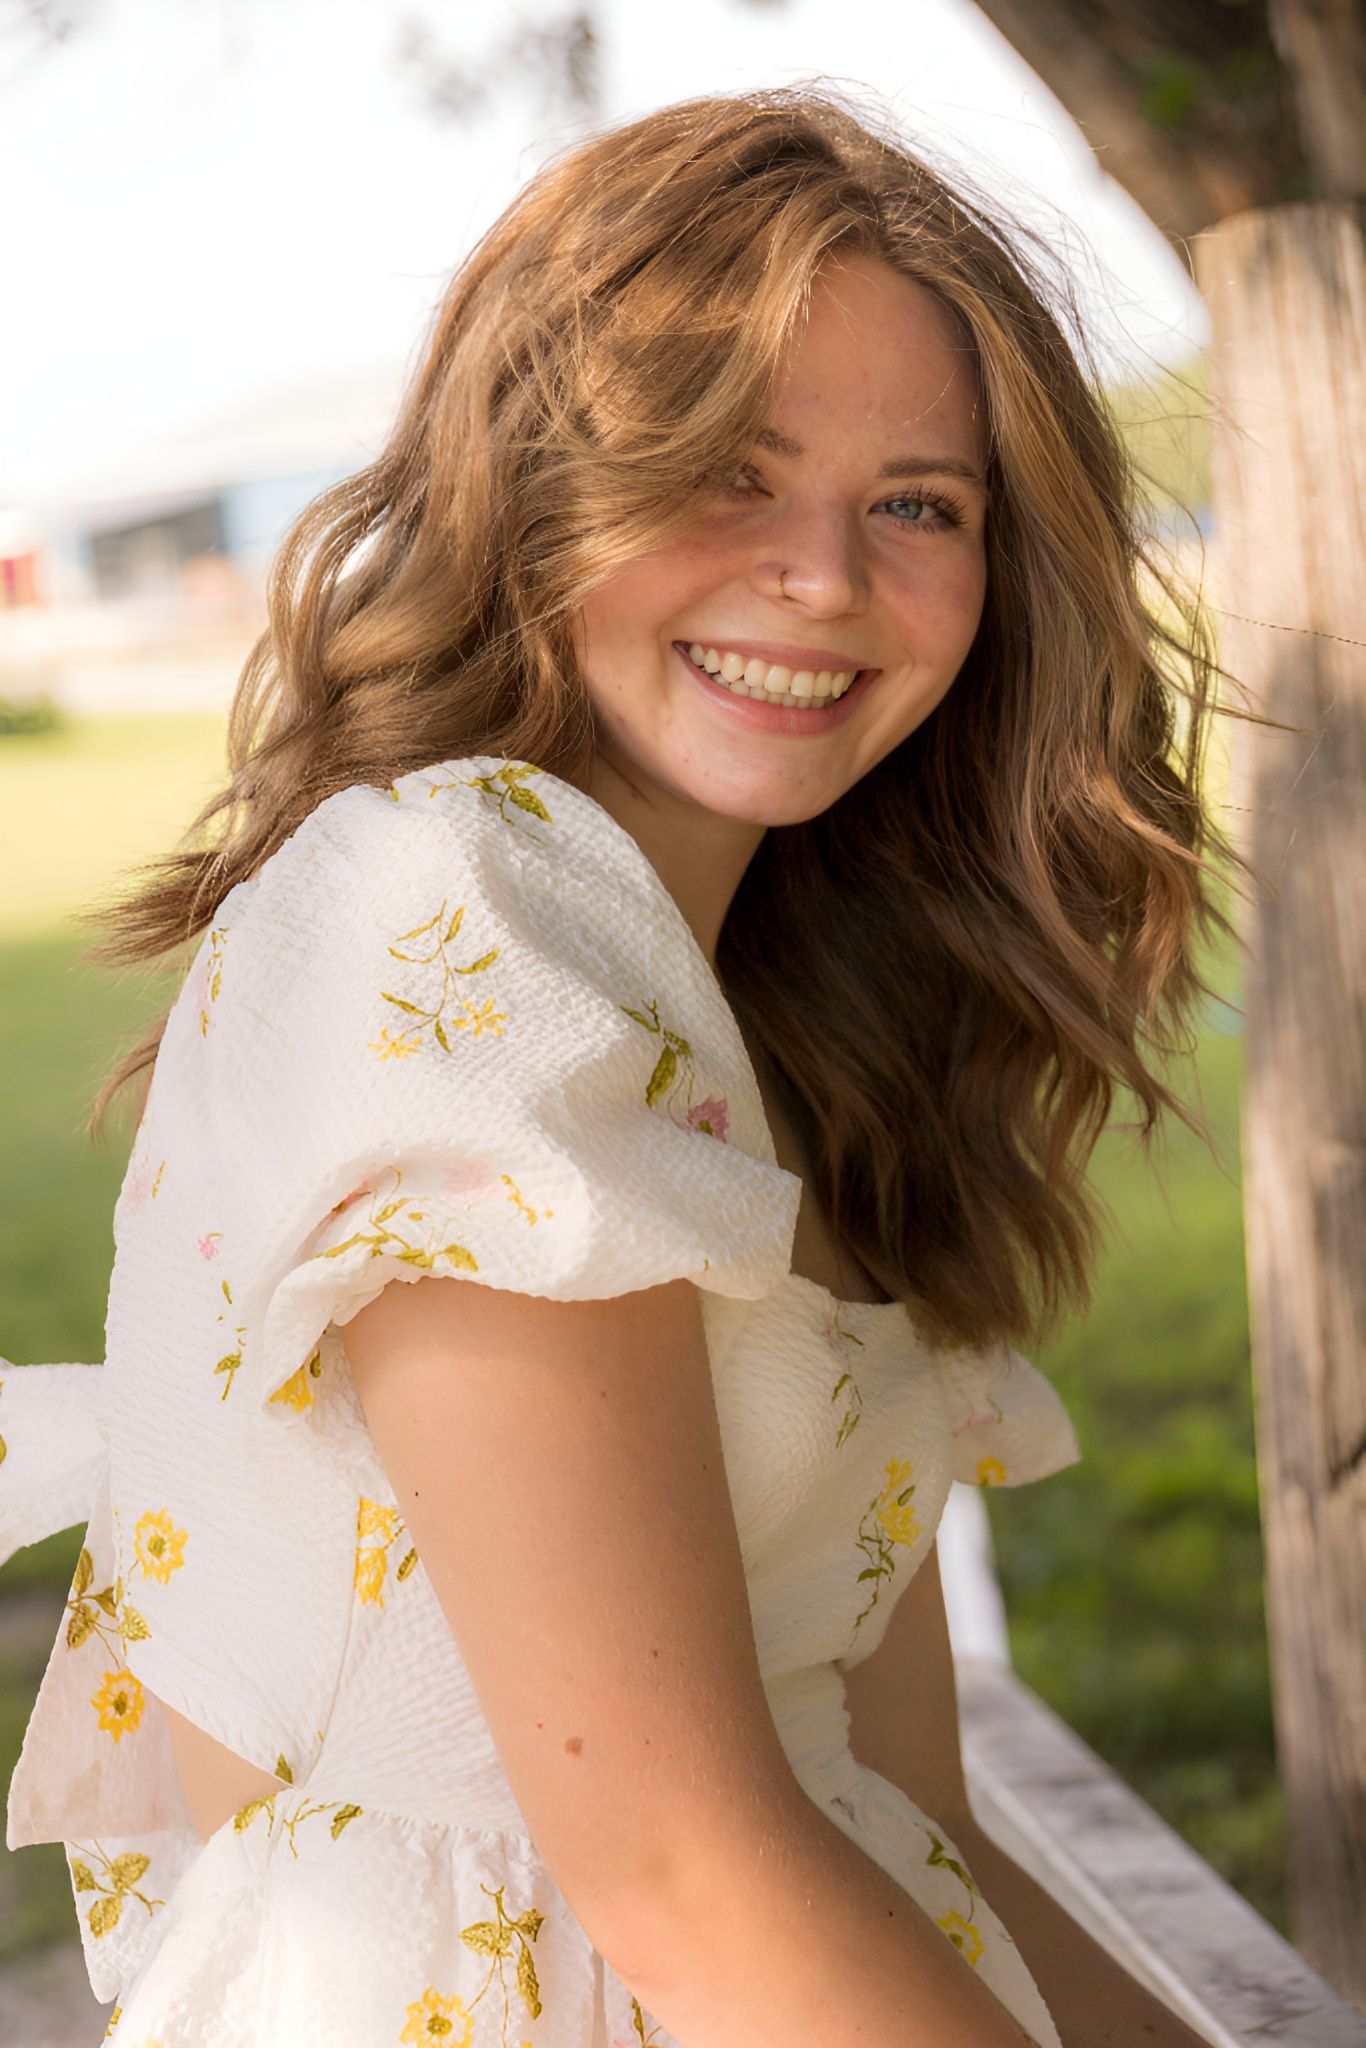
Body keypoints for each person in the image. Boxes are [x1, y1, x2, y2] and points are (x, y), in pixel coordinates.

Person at [0, 86, 1237, 2048]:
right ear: (536, 488)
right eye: (729, 473)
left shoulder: (797, 1034)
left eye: (917, 502)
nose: (822, 574)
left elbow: (900, 1817)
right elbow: (672, 1873)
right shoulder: (449, 917)